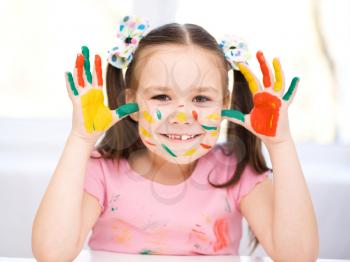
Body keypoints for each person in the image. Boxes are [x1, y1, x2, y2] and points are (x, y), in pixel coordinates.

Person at [32, 15, 319, 261]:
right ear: (132, 103)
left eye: (201, 98)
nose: (182, 116)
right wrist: (80, 139)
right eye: (162, 96)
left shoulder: (235, 171)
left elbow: (297, 256)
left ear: (224, 104)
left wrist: (280, 144)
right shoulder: (103, 172)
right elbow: (52, 254)